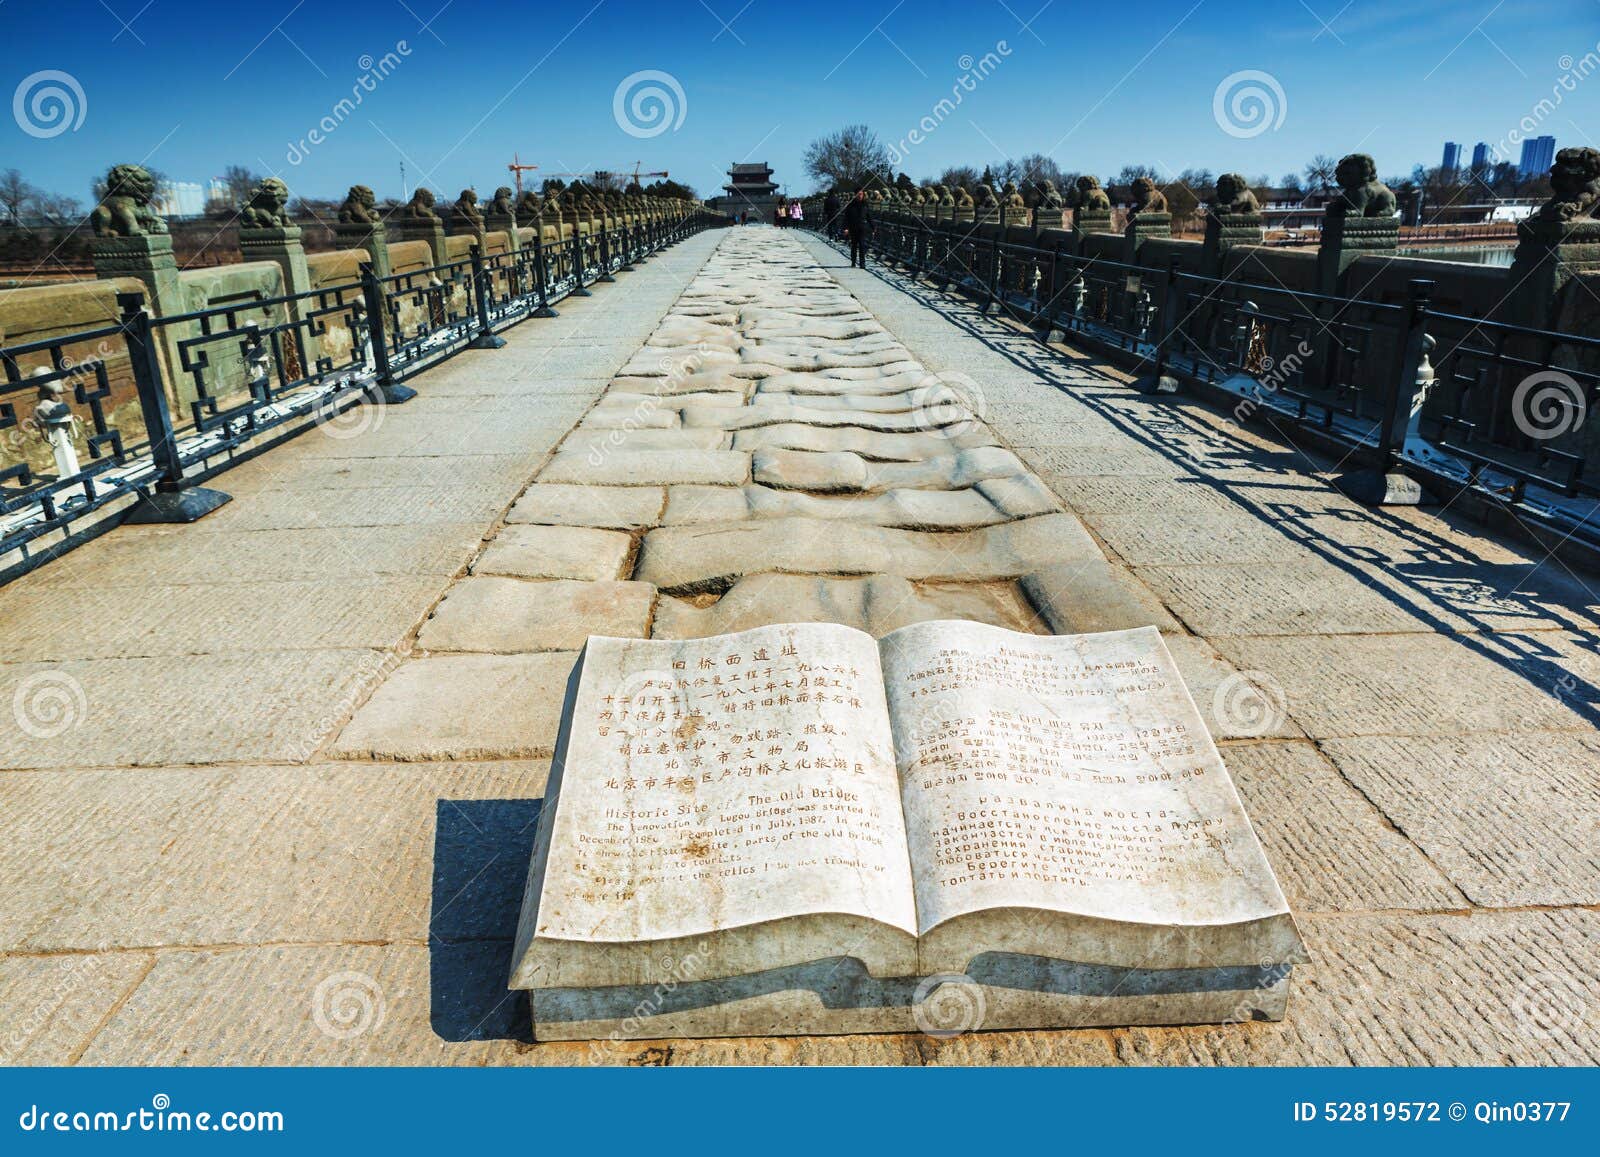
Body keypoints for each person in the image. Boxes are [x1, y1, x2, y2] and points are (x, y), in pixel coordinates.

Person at [843, 189, 872, 268]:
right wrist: (846, 228)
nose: (860, 196)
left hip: (862, 227)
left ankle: (862, 263)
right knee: (854, 245)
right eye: (858, 194)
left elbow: (869, 216)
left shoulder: (865, 204)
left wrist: (873, 226)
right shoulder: (850, 205)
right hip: (853, 227)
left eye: (861, 194)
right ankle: (853, 261)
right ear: (855, 195)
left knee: (862, 245)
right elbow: (846, 217)